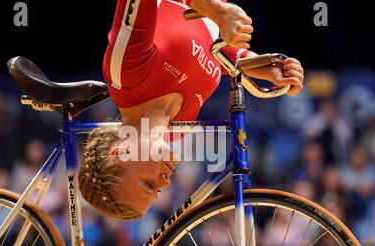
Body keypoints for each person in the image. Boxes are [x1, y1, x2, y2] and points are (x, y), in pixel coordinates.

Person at [79, 0, 305, 220]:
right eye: (156, 191)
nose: (166, 183)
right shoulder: (180, 129)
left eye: (149, 184)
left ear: (120, 152)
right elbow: (208, 50)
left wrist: (215, 9)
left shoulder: (126, 74)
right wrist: (263, 67)